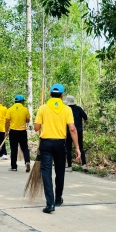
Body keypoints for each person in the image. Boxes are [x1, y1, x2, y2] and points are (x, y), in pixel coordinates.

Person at [34, 84, 80, 214]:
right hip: (60, 144)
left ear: (49, 94)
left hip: (46, 144)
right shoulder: (67, 109)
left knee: (46, 172)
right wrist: (77, 147)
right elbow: (72, 129)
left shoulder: (43, 108)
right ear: (62, 95)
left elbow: (36, 128)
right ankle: (58, 198)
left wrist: (40, 123)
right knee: (60, 171)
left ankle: (50, 203)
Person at [5, 94, 31, 172]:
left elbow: (7, 121)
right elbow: (28, 120)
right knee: (25, 148)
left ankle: (13, 166)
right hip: (22, 131)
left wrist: (6, 131)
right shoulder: (25, 109)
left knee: (14, 149)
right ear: (22, 101)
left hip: (13, 131)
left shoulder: (10, 109)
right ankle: (27, 161)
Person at [64, 95, 88, 172]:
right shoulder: (79, 109)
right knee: (80, 147)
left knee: (68, 148)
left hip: (69, 131)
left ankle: (70, 166)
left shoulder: (66, 110)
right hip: (79, 131)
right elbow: (85, 117)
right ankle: (84, 164)